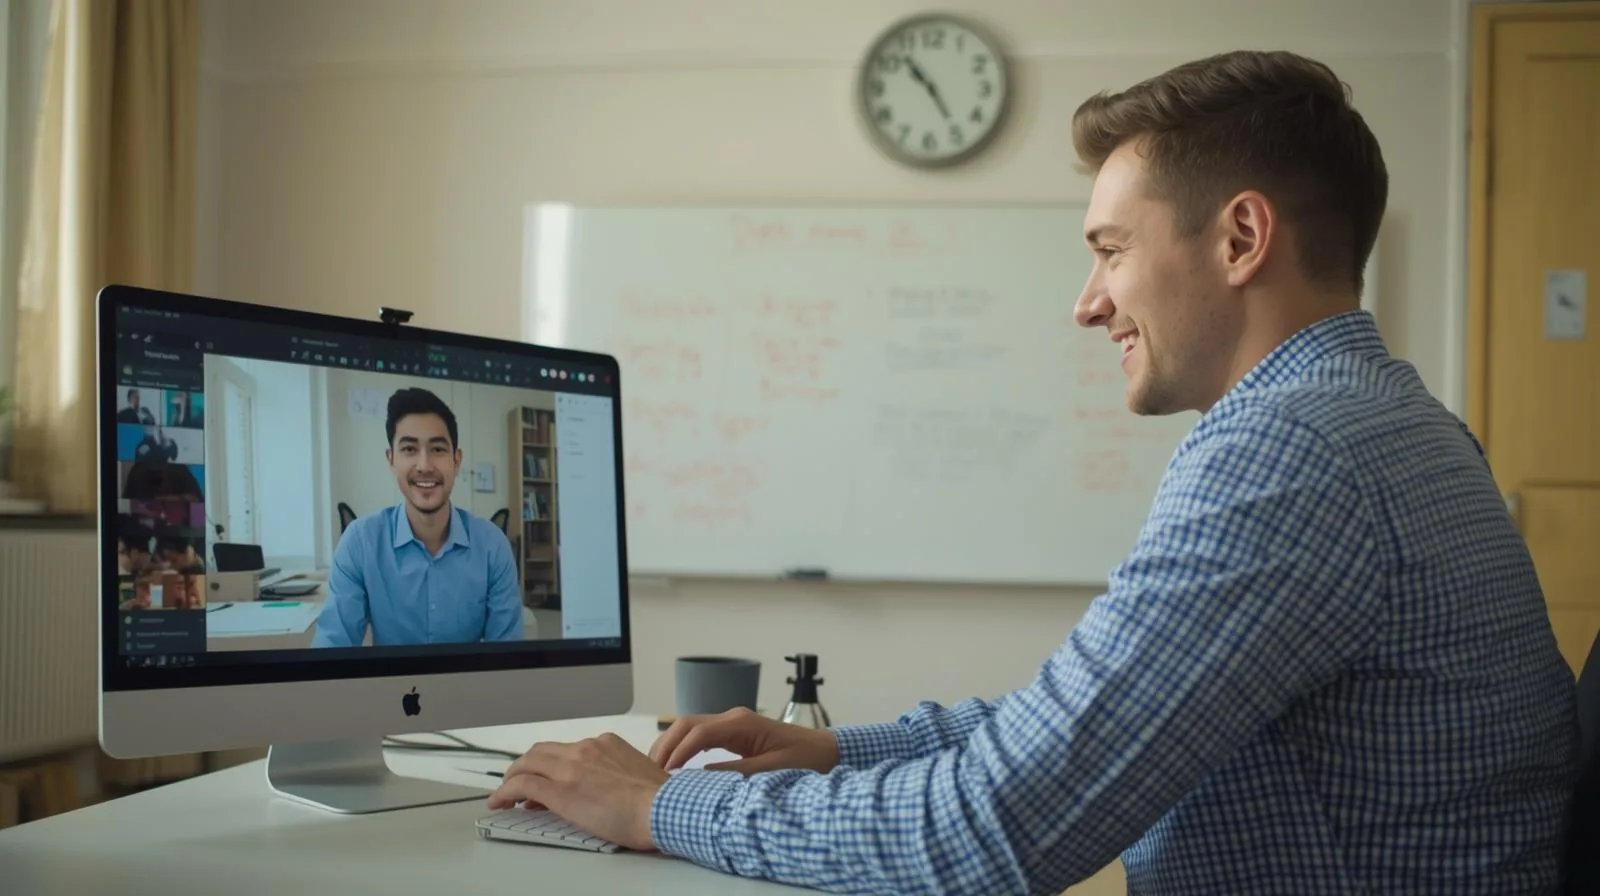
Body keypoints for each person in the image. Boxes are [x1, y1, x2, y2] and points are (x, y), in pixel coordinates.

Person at [484, 50, 1582, 894]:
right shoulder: (1394, 421)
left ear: (1241, 237)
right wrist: (832, 747)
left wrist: (657, 805)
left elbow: (995, 833)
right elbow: (1098, 716)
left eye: (1110, 248)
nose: (1086, 299)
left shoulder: (1292, 453)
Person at [312, 387, 521, 647]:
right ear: (391, 460)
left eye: (438, 449)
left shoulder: (493, 546)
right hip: (390, 687)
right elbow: (334, 648)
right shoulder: (360, 542)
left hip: (468, 688)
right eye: (409, 449)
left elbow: (507, 660)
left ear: (456, 461)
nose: (424, 465)